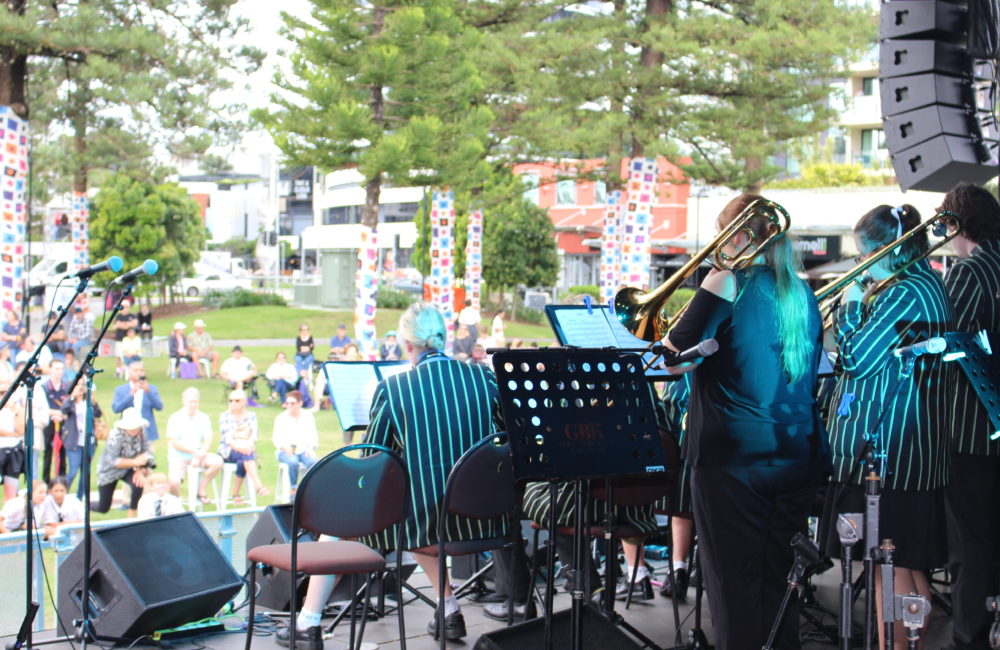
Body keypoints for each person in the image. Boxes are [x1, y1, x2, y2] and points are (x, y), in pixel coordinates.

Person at [277, 303, 504, 648]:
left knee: (338, 525)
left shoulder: (395, 388)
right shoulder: (484, 377)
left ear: (408, 346)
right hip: (486, 517)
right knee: (426, 508)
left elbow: (374, 459)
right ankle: (448, 610)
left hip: (427, 520)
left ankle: (307, 623)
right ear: (441, 339)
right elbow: (502, 438)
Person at [662, 194, 828, 650]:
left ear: (739, 236)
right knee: (780, 587)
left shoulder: (725, 280)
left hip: (733, 460)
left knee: (734, 589)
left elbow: (673, 359)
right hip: (794, 457)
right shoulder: (801, 292)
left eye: (722, 235)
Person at [825, 203, 953, 650]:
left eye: (865, 254)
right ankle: (908, 641)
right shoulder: (925, 283)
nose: (861, 264)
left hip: (893, 451)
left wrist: (851, 308)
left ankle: (895, 646)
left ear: (889, 249)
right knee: (909, 564)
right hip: (912, 447)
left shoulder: (904, 292)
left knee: (887, 564)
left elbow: (857, 360)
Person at [938, 184, 1000, 650]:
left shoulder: (969, 271)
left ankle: (971, 638)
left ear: (955, 224)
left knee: (971, 547)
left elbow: (943, 346)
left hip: (972, 429)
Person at [93, 407, 153, 518]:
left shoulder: (141, 431)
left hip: (129, 468)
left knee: (138, 484)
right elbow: (114, 461)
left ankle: (131, 516)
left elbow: (146, 451)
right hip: (109, 471)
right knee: (103, 507)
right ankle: (85, 507)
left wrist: (140, 469)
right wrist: (135, 462)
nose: (134, 429)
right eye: (131, 427)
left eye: (136, 426)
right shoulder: (115, 436)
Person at [166, 387, 223, 501]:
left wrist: (201, 453)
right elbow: (174, 442)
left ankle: (201, 489)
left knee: (217, 462)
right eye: (190, 401)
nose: (193, 405)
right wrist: (195, 452)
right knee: (173, 483)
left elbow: (208, 438)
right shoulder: (175, 418)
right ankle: (176, 504)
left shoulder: (203, 418)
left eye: (195, 402)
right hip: (179, 456)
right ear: (184, 401)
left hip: (199, 455)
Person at [218, 389, 267, 504]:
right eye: (230, 400)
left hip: (246, 449)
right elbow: (228, 439)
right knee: (247, 456)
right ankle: (258, 485)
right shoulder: (224, 416)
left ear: (244, 402)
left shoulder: (252, 416)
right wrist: (243, 448)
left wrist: (248, 446)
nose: (233, 403)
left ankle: (235, 494)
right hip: (228, 450)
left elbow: (254, 436)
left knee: (243, 461)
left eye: (237, 400)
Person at [61, 381, 102, 500]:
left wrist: (93, 401)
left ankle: (80, 497)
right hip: (74, 442)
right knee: (73, 471)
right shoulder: (70, 402)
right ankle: (62, 495)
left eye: (82, 386)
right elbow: (64, 410)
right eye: (77, 385)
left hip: (89, 442)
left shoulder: (88, 401)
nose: (80, 388)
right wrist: (73, 396)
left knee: (85, 473)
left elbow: (98, 413)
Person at [272, 390, 318, 495]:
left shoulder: (308, 416)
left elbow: (313, 437)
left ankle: (310, 489)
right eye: (287, 403)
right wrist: (285, 448)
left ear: (300, 403)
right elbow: (276, 439)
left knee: (313, 462)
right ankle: (293, 489)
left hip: (304, 450)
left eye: (292, 403)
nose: (289, 406)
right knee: (293, 462)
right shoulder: (281, 418)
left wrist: (310, 449)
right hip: (285, 451)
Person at [111, 361, 164, 450]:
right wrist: (131, 395)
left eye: (141, 370)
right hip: (127, 432)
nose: (139, 372)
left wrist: (148, 392)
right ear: (129, 372)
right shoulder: (121, 390)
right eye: (136, 370)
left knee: (146, 461)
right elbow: (116, 408)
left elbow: (159, 406)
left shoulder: (151, 389)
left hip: (147, 433)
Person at [41, 359, 69, 482]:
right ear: (50, 369)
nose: (59, 371)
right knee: (48, 453)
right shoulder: (44, 387)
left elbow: (70, 406)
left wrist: (62, 415)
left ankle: (61, 480)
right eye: (56, 368)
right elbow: (42, 407)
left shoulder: (67, 386)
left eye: (61, 368)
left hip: (64, 423)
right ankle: (46, 481)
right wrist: (57, 413)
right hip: (49, 423)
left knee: (63, 452)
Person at [0, 378, 24, 499]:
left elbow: (21, 430)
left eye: (7, 392)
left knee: (11, 490)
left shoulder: (16, 408)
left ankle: (7, 515)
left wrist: (14, 412)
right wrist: (13, 434)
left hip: (13, 450)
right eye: (1, 393)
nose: (4, 396)